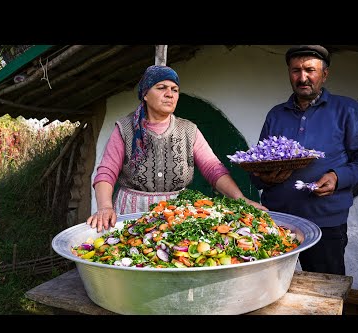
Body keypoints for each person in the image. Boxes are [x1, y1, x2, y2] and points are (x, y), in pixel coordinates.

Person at [250, 45, 358, 276]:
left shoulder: (346, 110)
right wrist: (264, 177)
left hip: (326, 222)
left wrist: (338, 177)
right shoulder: (276, 114)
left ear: (324, 74)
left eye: (310, 70)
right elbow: (259, 164)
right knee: (273, 287)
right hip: (278, 221)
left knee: (326, 289)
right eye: (295, 70)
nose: (302, 78)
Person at [87, 64, 267, 232]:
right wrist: (104, 207)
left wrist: (241, 199)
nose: (169, 94)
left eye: (174, 90)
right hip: (132, 213)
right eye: (161, 88)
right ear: (145, 94)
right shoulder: (125, 129)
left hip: (176, 216)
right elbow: (106, 172)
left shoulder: (188, 130)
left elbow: (213, 169)